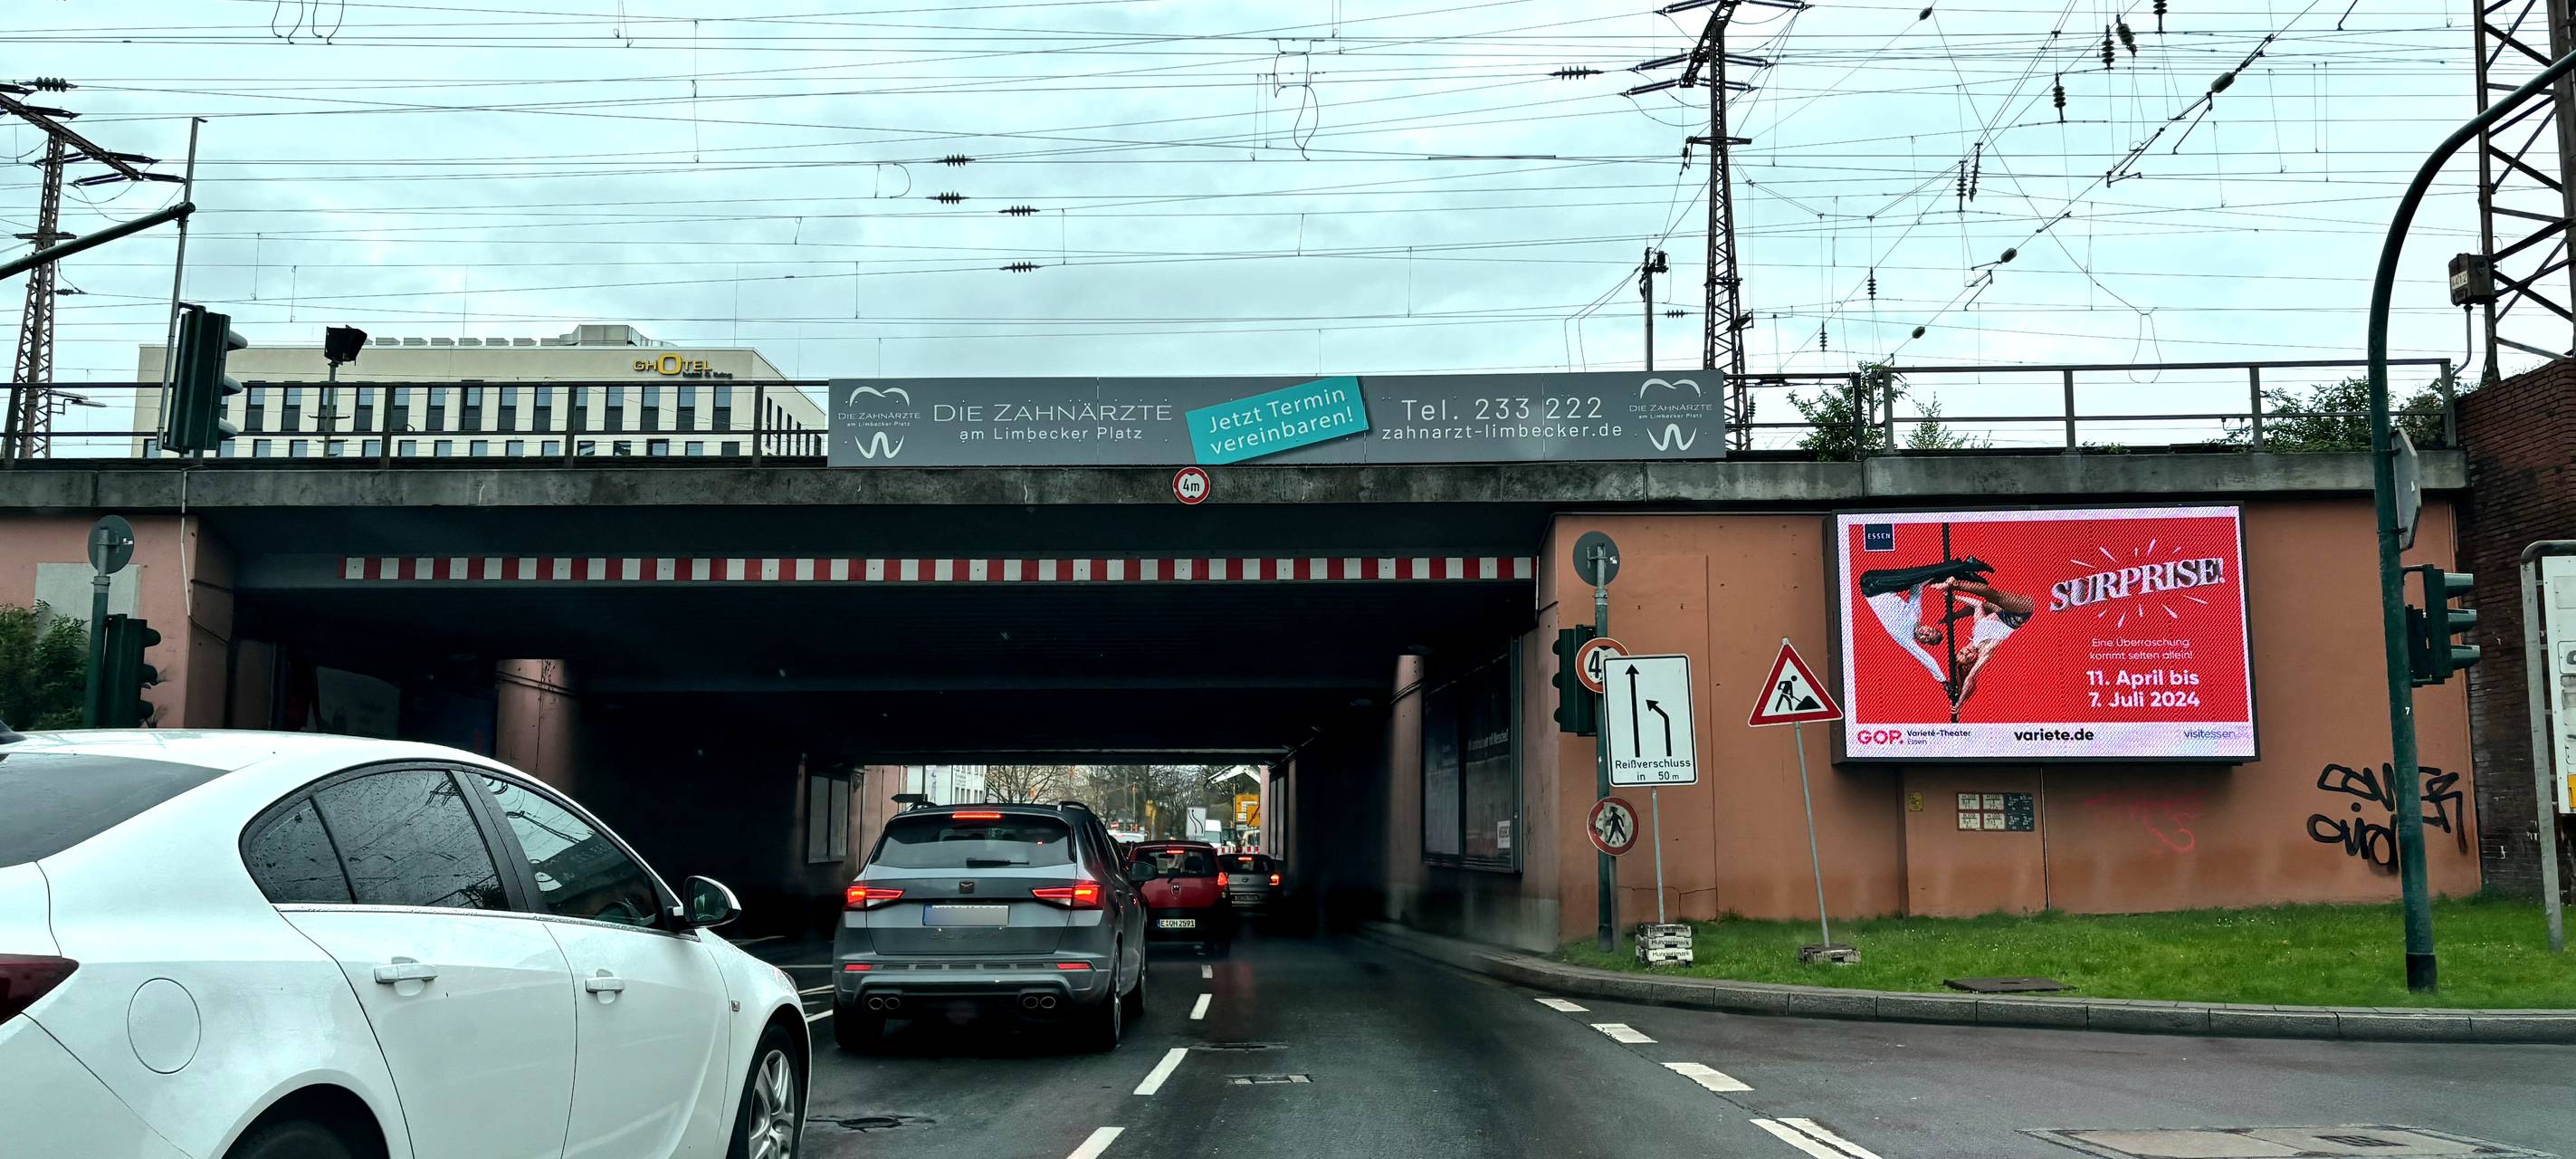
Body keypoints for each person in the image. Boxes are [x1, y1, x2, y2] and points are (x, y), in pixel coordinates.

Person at [1856, 557, 1992, 684]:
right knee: (1919, 577)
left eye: (1926, 638)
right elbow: (1917, 588)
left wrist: (1943, 680)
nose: (1925, 633)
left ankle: (1963, 569)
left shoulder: (1905, 637)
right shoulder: (1917, 615)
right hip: (1883, 583)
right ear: (1929, 626)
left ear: (1921, 642)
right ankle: (1962, 570)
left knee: (1919, 575)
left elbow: (1927, 659)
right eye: (1930, 631)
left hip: (1871, 587)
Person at [1937, 578, 2036, 712]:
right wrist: (1960, 703)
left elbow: (1978, 605)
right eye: (1968, 657)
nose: (1967, 652)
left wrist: (1955, 598)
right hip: (2020, 612)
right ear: (1972, 661)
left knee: (1988, 603)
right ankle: (1955, 583)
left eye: (1962, 652)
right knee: (1994, 597)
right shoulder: (1985, 651)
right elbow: (1970, 678)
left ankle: (1959, 583)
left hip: (2004, 610)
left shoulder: (1975, 634)